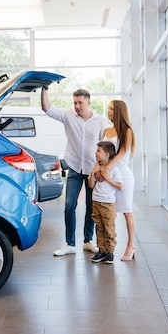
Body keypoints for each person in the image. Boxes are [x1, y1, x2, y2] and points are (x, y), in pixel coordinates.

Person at [42, 87, 107, 256]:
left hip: (92, 169)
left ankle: (87, 241)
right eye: (75, 103)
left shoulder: (100, 122)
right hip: (74, 167)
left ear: (88, 102)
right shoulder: (68, 116)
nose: (77, 106)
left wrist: (101, 168)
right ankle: (70, 243)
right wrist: (45, 89)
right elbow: (47, 108)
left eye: (80, 103)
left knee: (91, 207)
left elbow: (106, 147)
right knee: (69, 205)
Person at [100, 100, 137, 261]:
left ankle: (131, 246)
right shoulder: (106, 130)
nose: (108, 111)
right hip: (107, 175)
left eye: (112, 109)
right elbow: (101, 152)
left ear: (119, 112)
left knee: (127, 212)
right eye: (108, 108)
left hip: (122, 174)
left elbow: (121, 153)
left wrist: (107, 168)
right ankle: (106, 248)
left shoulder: (127, 131)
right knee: (107, 212)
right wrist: (99, 169)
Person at [88, 141, 123, 264]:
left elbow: (120, 186)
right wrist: (93, 172)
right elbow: (91, 185)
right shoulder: (96, 167)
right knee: (99, 227)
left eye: (98, 151)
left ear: (107, 154)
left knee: (109, 229)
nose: (95, 153)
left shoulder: (113, 170)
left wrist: (107, 178)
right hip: (96, 201)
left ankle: (110, 252)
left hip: (108, 204)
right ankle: (101, 250)